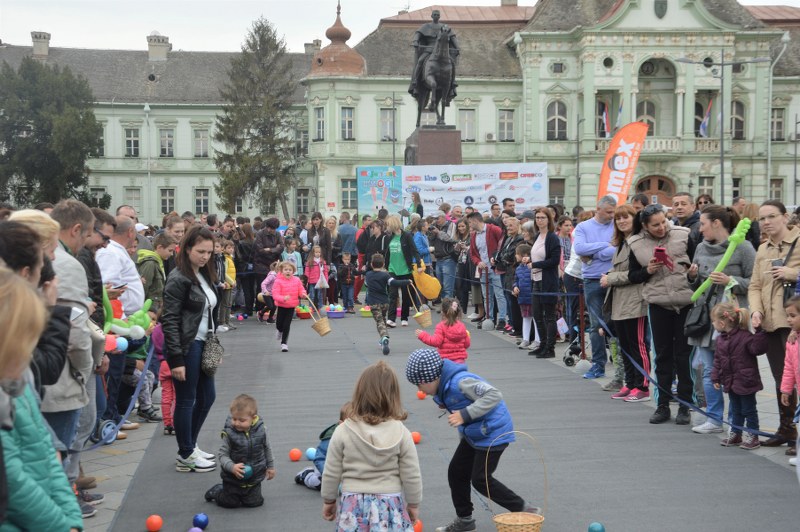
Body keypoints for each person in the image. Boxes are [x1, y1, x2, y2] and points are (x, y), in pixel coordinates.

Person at [405, 349, 540, 532]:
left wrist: (465, 414)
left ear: (431, 378)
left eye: (419, 384)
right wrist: (464, 433)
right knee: (456, 471)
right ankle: (465, 519)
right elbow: (460, 409)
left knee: (480, 479)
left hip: (494, 432)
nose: (419, 390)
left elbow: (494, 395)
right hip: (475, 434)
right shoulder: (443, 388)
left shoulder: (461, 382)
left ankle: (524, 509)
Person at [0, 269, 83, 532]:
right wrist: (59, 525)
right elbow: (13, 482)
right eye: (25, 341)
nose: (30, 354)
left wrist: (70, 517)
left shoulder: (19, 386)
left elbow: (49, 454)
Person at [322, 361, 421, 530]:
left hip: (352, 504)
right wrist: (413, 504)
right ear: (394, 397)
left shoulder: (343, 430)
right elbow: (411, 473)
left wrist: (329, 500)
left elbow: (331, 470)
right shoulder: (401, 432)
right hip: (389, 502)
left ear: (359, 394)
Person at [685, 205, 755, 434]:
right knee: (708, 370)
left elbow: (754, 283)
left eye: (703, 224)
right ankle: (714, 419)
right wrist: (693, 276)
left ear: (717, 223)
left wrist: (729, 280)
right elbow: (694, 285)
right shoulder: (700, 247)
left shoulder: (742, 247)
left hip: (732, 318)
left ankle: (736, 423)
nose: (700, 229)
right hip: (706, 319)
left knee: (733, 370)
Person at [628, 204, 695, 425]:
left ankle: (685, 405)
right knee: (663, 356)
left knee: (683, 356)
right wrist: (647, 271)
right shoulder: (636, 243)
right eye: (655, 224)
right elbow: (633, 275)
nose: (661, 227)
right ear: (645, 225)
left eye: (664, 221)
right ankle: (662, 404)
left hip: (685, 303)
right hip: (658, 304)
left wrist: (693, 273)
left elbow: (697, 264)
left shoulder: (683, 234)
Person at [161, 225, 219, 473]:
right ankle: (185, 453)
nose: (205, 256)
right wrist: (176, 359)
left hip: (203, 342)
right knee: (186, 400)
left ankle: (190, 445)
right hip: (187, 346)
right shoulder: (178, 278)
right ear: (186, 249)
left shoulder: (202, 274)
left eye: (209, 252)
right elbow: (170, 320)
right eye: (201, 251)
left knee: (208, 396)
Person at [748, 200, 800, 454]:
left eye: (771, 216)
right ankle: (787, 428)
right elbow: (755, 285)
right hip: (769, 321)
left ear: (785, 216)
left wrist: (791, 273)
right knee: (783, 380)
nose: (766, 222)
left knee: (798, 378)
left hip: (794, 322)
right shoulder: (763, 248)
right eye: (762, 218)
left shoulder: (799, 241)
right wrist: (756, 310)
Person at [600, 204, 652, 401]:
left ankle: (643, 386)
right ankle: (630, 383)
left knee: (638, 345)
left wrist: (611, 278)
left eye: (626, 217)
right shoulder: (621, 243)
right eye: (618, 218)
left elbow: (640, 273)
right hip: (619, 301)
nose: (621, 221)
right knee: (625, 346)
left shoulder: (639, 242)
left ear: (635, 219)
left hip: (636, 301)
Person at [710, 301, 768, 449]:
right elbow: (717, 359)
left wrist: (759, 332)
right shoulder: (720, 339)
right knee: (735, 409)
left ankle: (752, 435)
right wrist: (715, 376)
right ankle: (736, 433)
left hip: (746, 380)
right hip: (731, 380)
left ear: (722, 323)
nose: (713, 324)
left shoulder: (745, 336)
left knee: (749, 409)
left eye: (714, 321)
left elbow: (758, 349)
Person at [204, 394, 275, 508]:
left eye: (241, 420)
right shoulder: (229, 433)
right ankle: (217, 491)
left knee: (255, 503)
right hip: (232, 479)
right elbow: (222, 455)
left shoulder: (261, 431)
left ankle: (246, 495)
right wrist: (232, 467)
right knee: (230, 503)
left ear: (253, 418)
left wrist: (270, 467)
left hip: (254, 477)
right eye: (234, 418)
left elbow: (267, 448)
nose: (237, 423)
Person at [572, 196, 616, 377]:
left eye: (614, 211)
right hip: (592, 279)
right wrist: (606, 245)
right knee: (596, 325)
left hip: (615, 278)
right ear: (598, 209)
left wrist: (596, 253)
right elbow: (580, 249)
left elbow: (618, 249)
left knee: (618, 323)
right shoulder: (583, 227)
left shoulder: (616, 225)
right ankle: (598, 365)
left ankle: (622, 365)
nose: (613, 215)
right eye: (609, 212)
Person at [526, 210, 561, 358]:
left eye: (543, 218)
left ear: (549, 220)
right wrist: (529, 260)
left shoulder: (552, 238)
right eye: (538, 218)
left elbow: (554, 260)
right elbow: (536, 256)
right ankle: (542, 344)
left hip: (548, 281)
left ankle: (550, 348)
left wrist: (535, 264)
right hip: (536, 280)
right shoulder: (536, 237)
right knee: (537, 314)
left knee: (549, 316)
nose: (539, 220)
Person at [365, 253, 413, 356]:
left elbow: (366, 284)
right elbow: (395, 283)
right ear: (383, 264)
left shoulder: (368, 275)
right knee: (382, 319)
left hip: (374, 303)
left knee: (379, 322)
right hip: (384, 302)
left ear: (372, 264)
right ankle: (382, 339)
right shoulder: (386, 275)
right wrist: (407, 281)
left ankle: (384, 337)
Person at [296, 402, 351, 491]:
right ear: (341, 424)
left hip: (347, 473)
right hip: (328, 469)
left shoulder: (361, 436)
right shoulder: (331, 438)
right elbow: (320, 458)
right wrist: (329, 476)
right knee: (320, 484)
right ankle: (306, 475)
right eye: (351, 424)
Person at [467, 211, 506, 330]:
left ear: (475, 221)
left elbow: (503, 244)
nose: (469, 225)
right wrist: (478, 262)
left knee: (499, 294)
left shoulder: (493, 229)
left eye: (469, 222)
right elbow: (473, 253)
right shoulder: (474, 235)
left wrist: (497, 259)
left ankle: (502, 319)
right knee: (486, 296)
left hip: (495, 269)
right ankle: (489, 318)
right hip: (483, 270)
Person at [386, 215, 422, 328]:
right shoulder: (388, 237)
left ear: (393, 225)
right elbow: (386, 253)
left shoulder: (406, 236)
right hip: (392, 269)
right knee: (393, 295)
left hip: (405, 270)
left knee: (406, 295)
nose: (387, 227)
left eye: (388, 225)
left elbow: (415, 251)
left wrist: (419, 265)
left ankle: (404, 317)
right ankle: (391, 319)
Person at [416, 298, 471, 364]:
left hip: (446, 361)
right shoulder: (462, 326)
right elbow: (466, 344)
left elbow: (436, 342)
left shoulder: (441, 326)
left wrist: (423, 335)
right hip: (461, 362)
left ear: (442, 312)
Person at [271, 261, 309, 353]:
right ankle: (279, 331)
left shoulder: (296, 280)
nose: (288, 272)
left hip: (291, 306)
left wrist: (303, 294)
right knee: (279, 324)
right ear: (281, 271)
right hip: (281, 305)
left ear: (293, 271)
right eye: (286, 270)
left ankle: (284, 343)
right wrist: (283, 298)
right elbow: (275, 294)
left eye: (290, 270)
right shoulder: (278, 281)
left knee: (286, 325)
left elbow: (301, 289)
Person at [780, 295, 800, 466]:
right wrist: (786, 389)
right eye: (787, 315)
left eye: (793, 316)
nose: (788, 319)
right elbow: (788, 368)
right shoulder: (792, 341)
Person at [137, 232, 175, 316]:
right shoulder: (150, 264)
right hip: (148, 311)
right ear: (159, 247)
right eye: (170, 250)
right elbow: (143, 289)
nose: (172, 254)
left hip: (155, 309)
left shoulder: (158, 263)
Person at [253, 218, 285, 315]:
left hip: (273, 265)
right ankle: (259, 308)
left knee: (273, 287)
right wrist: (275, 249)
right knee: (262, 287)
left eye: (272, 228)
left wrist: (270, 250)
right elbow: (260, 250)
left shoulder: (278, 234)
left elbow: (282, 247)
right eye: (269, 228)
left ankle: (269, 309)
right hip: (261, 264)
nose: (270, 230)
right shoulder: (260, 234)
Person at [512, 243, 535, 349]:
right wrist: (515, 287)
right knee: (526, 318)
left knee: (536, 319)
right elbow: (516, 280)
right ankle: (525, 339)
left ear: (525, 255)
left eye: (517, 254)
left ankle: (537, 340)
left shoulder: (533, 267)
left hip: (533, 297)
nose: (516, 256)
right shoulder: (518, 269)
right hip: (523, 297)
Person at [672, 191, 702, 260]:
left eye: (683, 204)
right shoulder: (671, 227)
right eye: (676, 204)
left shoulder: (701, 227)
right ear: (672, 207)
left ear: (693, 207)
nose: (679, 207)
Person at [305, 245, 330, 311]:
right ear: (313, 253)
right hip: (312, 281)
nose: (318, 253)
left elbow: (325, 272)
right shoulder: (309, 262)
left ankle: (320, 308)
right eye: (316, 252)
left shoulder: (323, 262)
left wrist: (326, 281)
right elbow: (307, 272)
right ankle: (311, 308)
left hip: (320, 282)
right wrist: (307, 281)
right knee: (312, 296)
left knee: (320, 296)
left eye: (319, 252)